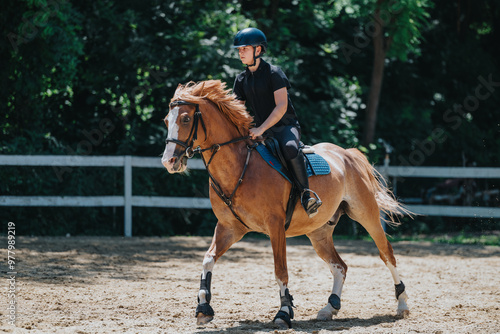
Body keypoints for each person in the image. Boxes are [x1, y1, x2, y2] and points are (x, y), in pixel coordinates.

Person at [232, 27, 322, 218]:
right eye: (239, 50)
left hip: (284, 127)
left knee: (290, 148)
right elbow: (238, 111)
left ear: (258, 50)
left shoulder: (274, 73)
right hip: (258, 130)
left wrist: (261, 128)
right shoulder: (241, 79)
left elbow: (281, 106)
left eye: (244, 49)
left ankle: (306, 195)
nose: (240, 52)